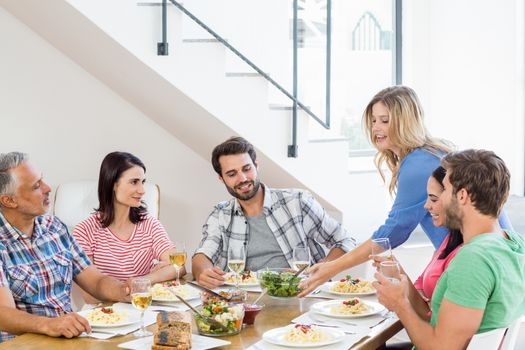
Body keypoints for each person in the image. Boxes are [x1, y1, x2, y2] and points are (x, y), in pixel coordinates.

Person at [299, 85, 509, 297]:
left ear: (405, 122)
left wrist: (332, 267)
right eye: (373, 120)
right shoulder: (434, 152)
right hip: (495, 263)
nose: (376, 128)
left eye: (385, 120)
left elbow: (393, 232)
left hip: (475, 273)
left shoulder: (418, 165)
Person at [374, 149, 525, 349]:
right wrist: (402, 284)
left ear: (462, 196)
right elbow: (437, 319)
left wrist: (399, 306)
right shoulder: (514, 243)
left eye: (444, 189)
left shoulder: (474, 261)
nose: (438, 199)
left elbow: (441, 347)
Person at [192, 137, 356, 288]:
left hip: (300, 294)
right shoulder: (220, 215)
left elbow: (344, 241)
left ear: (257, 165)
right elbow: (202, 256)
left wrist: (323, 268)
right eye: (232, 174)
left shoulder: (297, 201)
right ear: (221, 178)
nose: (242, 179)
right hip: (246, 302)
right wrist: (203, 273)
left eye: (247, 169)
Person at [0, 152, 130, 341]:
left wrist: (124, 290)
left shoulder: (55, 227)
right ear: (9, 200)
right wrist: (48, 324)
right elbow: (3, 313)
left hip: (69, 339)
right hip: (25, 344)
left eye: (42, 179)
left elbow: (95, 281)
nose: (48, 188)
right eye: (36, 186)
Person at [73, 152, 183, 294]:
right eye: (134, 182)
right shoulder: (84, 231)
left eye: (142, 182)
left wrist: (144, 280)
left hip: (142, 305)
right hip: (104, 312)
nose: (142, 190)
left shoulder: (149, 224)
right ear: (112, 184)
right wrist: (128, 290)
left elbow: (179, 266)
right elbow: (89, 295)